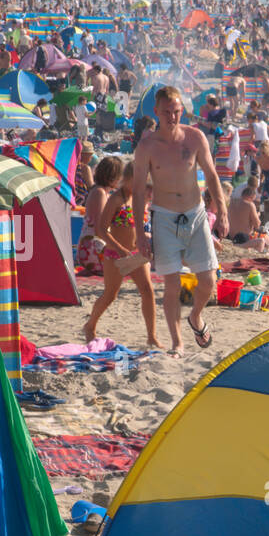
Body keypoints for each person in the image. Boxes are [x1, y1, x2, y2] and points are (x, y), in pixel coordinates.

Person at [132, 85, 228, 356]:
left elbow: (211, 176)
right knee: (172, 284)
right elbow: (138, 192)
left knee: (208, 281)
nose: (172, 118)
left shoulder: (195, 138)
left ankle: (195, 317)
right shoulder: (147, 146)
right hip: (163, 217)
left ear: (181, 110)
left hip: (196, 213)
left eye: (176, 112)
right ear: (156, 112)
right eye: (167, 113)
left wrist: (221, 210)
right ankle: (177, 342)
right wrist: (140, 233)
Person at [81, 162, 161, 348]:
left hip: (136, 254)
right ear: (126, 179)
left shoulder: (139, 197)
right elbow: (101, 229)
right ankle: (90, 326)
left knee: (148, 292)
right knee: (110, 294)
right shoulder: (116, 198)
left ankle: (152, 336)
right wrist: (119, 249)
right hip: (115, 254)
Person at [76, 155, 121, 275]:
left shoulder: (99, 191)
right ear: (113, 176)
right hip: (93, 248)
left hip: (91, 246)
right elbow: (100, 228)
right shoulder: (99, 193)